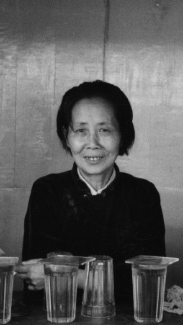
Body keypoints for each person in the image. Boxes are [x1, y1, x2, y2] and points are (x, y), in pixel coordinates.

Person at [20, 80, 166, 303]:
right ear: (66, 136)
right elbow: (36, 280)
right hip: (57, 321)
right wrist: (110, 280)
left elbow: (147, 282)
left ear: (123, 134)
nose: (93, 143)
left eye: (104, 130)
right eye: (80, 130)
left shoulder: (142, 194)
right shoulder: (47, 191)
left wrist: (70, 275)